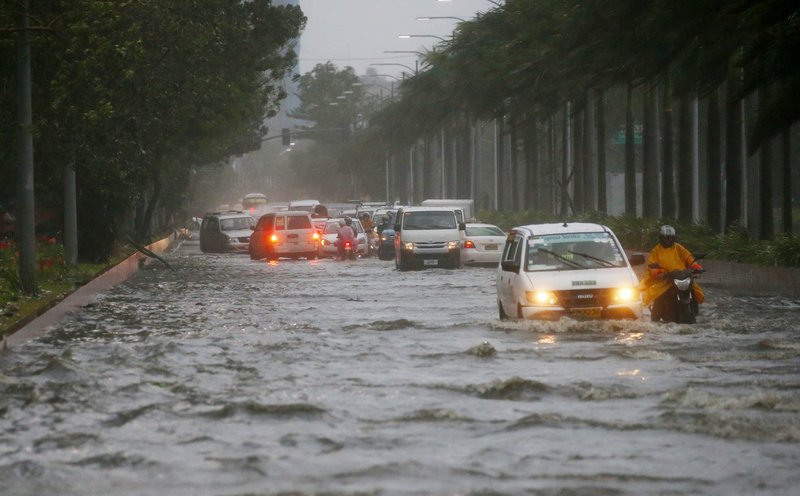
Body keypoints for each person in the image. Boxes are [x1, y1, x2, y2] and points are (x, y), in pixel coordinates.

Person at [641, 225, 704, 318]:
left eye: (670, 238)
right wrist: (658, 272)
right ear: (661, 238)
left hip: (682, 277)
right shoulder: (656, 250)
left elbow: (689, 259)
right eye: (665, 238)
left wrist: (697, 267)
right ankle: (656, 317)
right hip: (666, 280)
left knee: (695, 290)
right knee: (658, 294)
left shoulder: (679, 248)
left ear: (673, 238)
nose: (667, 240)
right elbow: (652, 265)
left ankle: (694, 309)